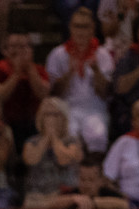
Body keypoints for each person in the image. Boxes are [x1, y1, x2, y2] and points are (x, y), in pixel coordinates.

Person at [45, 7, 112, 154]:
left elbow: (106, 93)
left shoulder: (102, 54)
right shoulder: (58, 54)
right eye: (77, 26)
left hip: (95, 109)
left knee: (97, 134)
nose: (80, 31)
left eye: (85, 26)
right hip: (67, 109)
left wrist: (96, 71)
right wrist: (69, 73)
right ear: (70, 28)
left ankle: (94, 173)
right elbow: (53, 94)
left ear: (93, 29)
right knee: (70, 134)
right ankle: (71, 174)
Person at [20, 96, 83, 209]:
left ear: (64, 118)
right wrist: (45, 138)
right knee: (28, 206)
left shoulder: (72, 141)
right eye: (47, 115)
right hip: (36, 195)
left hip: (63, 194)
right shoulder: (32, 141)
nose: (51, 119)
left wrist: (53, 137)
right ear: (40, 118)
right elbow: (31, 160)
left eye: (55, 115)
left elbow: (64, 160)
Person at [0, 31, 49, 148]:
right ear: (5, 50)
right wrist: (16, 73)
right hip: (6, 121)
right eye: (14, 46)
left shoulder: (38, 70)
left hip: (33, 121)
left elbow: (43, 95)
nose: (19, 51)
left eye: (23, 47)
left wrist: (30, 69)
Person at [46, 154, 129, 209]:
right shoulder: (70, 195)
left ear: (101, 180)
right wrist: (73, 199)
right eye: (82, 179)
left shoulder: (110, 195)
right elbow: (48, 203)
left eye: (91, 180)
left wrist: (92, 203)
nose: (86, 185)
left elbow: (124, 205)